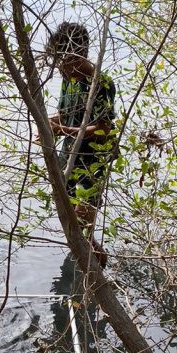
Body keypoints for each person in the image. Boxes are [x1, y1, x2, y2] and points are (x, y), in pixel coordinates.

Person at [46, 21, 117, 267]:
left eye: (63, 62)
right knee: (68, 222)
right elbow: (65, 113)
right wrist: (49, 124)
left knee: (82, 230)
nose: (60, 69)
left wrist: (63, 129)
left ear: (79, 55)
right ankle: (85, 270)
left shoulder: (102, 83)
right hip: (69, 158)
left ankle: (98, 275)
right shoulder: (69, 79)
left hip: (91, 163)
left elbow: (103, 129)